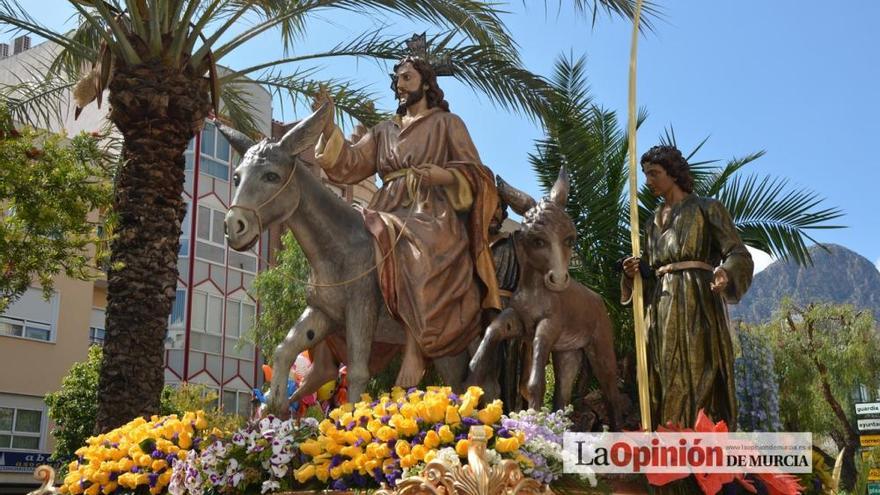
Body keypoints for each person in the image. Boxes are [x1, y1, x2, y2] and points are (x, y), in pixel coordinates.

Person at [312, 56, 501, 387]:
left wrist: (443, 174)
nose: (399, 85)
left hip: (431, 212)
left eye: (407, 78)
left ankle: (416, 351)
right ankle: (329, 350)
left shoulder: (447, 124)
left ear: (426, 83)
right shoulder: (385, 130)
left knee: (418, 247)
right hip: (385, 207)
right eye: (397, 79)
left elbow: (477, 174)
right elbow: (351, 164)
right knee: (346, 248)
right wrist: (328, 127)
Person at [621, 145, 753, 431]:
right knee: (662, 368)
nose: (648, 180)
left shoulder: (707, 208)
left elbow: (738, 253)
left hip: (697, 299)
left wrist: (725, 272)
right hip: (661, 304)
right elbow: (654, 272)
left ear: (674, 173)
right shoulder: (650, 223)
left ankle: (698, 436)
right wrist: (636, 272)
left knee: (697, 369)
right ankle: (666, 434)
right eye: (645, 174)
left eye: (654, 173)